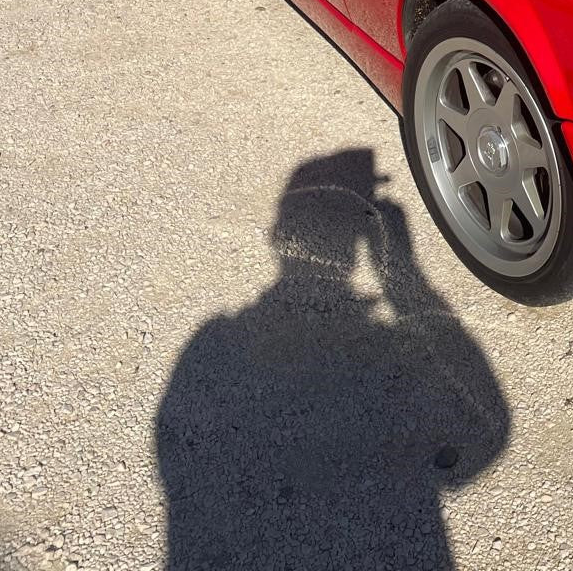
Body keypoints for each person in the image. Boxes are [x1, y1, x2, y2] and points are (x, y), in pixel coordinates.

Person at [156, 148, 510, 570]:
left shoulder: (211, 343)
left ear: (276, 235)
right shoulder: (220, 342)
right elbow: (488, 434)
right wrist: (403, 271)